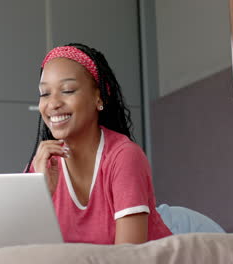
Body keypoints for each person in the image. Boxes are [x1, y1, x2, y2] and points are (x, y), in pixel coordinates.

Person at [24, 43, 172, 244]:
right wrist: (42, 194)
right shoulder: (41, 167)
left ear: (99, 96)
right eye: (45, 93)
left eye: (67, 90)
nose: (53, 103)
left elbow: (129, 258)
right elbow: (24, 253)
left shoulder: (123, 157)